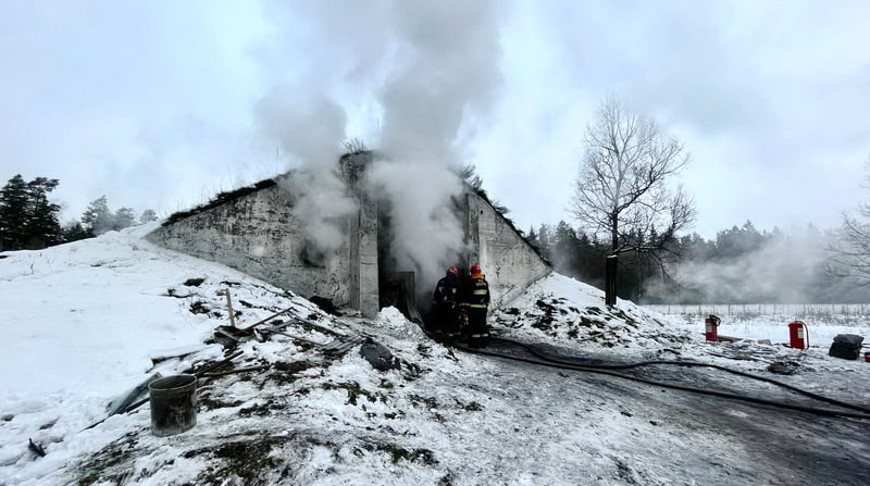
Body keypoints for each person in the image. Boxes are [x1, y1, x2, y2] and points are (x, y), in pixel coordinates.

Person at [459, 263, 490, 347]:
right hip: (483, 308)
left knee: (474, 326)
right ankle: (484, 342)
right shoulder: (485, 282)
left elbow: (468, 295)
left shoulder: (472, 282)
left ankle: (474, 343)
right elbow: (487, 296)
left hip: (473, 308)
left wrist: (463, 306)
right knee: (482, 325)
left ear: (472, 272)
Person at [431, 266, 460, 339]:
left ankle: (439, 336)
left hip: (441, 305)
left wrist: (436, 303)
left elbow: (436, 294)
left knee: (440, 320)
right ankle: (450, 337)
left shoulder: (441, 281)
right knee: (451, 322)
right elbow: (460, 294)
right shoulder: (456, 281)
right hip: (451, 305)